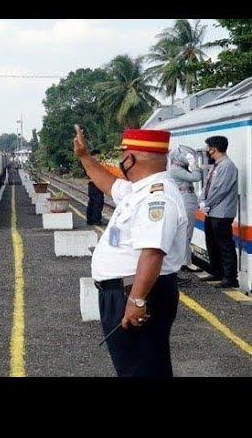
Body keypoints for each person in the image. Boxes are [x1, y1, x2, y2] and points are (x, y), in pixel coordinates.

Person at [73, 125, 187, 377]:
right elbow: (109, 184)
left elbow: (153, 253)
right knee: (137, 366)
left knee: (141, 369)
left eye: (122, 155)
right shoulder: (141, 189)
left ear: (131, 158)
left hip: (136, 292)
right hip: (127, 291)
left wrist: (137, 300)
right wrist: (84, 156)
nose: (119, 160)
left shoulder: (157, 198)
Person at [198, 136, 239, 288]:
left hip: (222, 213)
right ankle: (216, 272)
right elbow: (207, 185)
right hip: (212, 211)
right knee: (212, 242)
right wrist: (202, 201)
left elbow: (221, 190)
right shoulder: (216, 166)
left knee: (224, 244)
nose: (207, 151)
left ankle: (230, 277)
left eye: (208, 148)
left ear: (214, 149)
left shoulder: (227, 166)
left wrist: (207, 203)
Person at [168, 145, 203, 279]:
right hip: (185, 200)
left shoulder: (178, 169)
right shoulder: (175, 169)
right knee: (186, 232)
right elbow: (196, 177)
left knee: (187, 232)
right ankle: (186, 262)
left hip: (187, 199)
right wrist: (194, 164)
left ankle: (185, 260)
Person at [86, 149, 106, 225]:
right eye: (97, 156)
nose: (98, 158)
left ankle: (90, 219)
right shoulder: (93, 164)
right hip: (95, 185)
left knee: (92, 203)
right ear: (93, 156)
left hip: (93, 185)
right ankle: (96, 220)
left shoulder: (89, 163)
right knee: (98, 203)